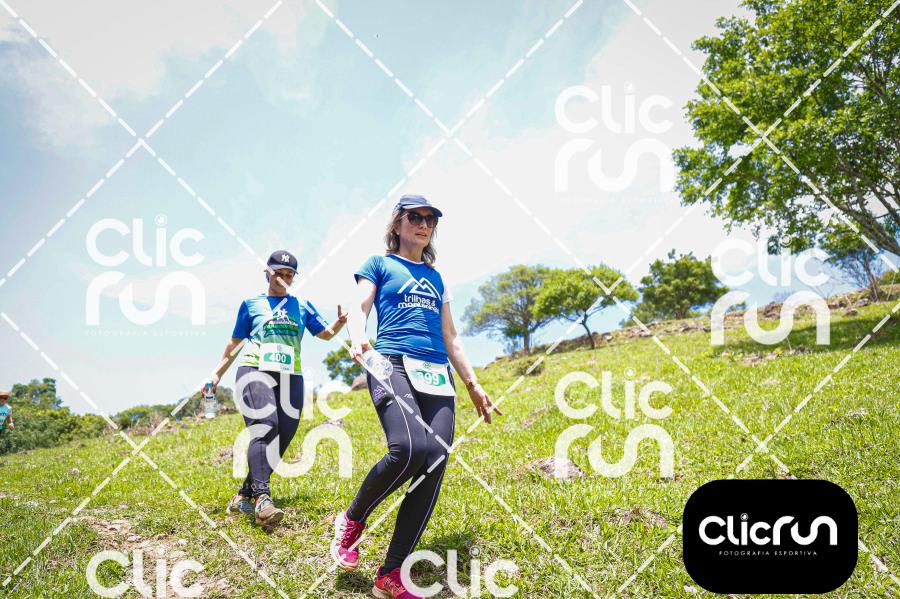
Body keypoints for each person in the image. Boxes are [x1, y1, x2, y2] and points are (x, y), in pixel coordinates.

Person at [333, 195, 501, 599]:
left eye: (430, 219)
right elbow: (358, 306)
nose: (423, 224)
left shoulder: (437, 278)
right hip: (390, 361)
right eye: (415, 217)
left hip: (437, 374)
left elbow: (451, 335)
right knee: (408, 448)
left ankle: (391, 573)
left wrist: (473, 384)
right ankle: (352, 519)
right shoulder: (379, 264)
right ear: (397, 224)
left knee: (435, 460)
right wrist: (358, 337)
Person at [208, 250, 347, 527]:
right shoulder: (251, 304)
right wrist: (216, 374)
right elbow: (234, 343)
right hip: (254, 370)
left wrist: (339, 324)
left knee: (283, 436)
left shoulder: (302, 306)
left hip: (290, 375)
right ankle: (263, 500)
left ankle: (244, 495)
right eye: (277, 274)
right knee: (265, 426)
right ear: (267, 273)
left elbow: (324, 334)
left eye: (288, 275)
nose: (282, 279)